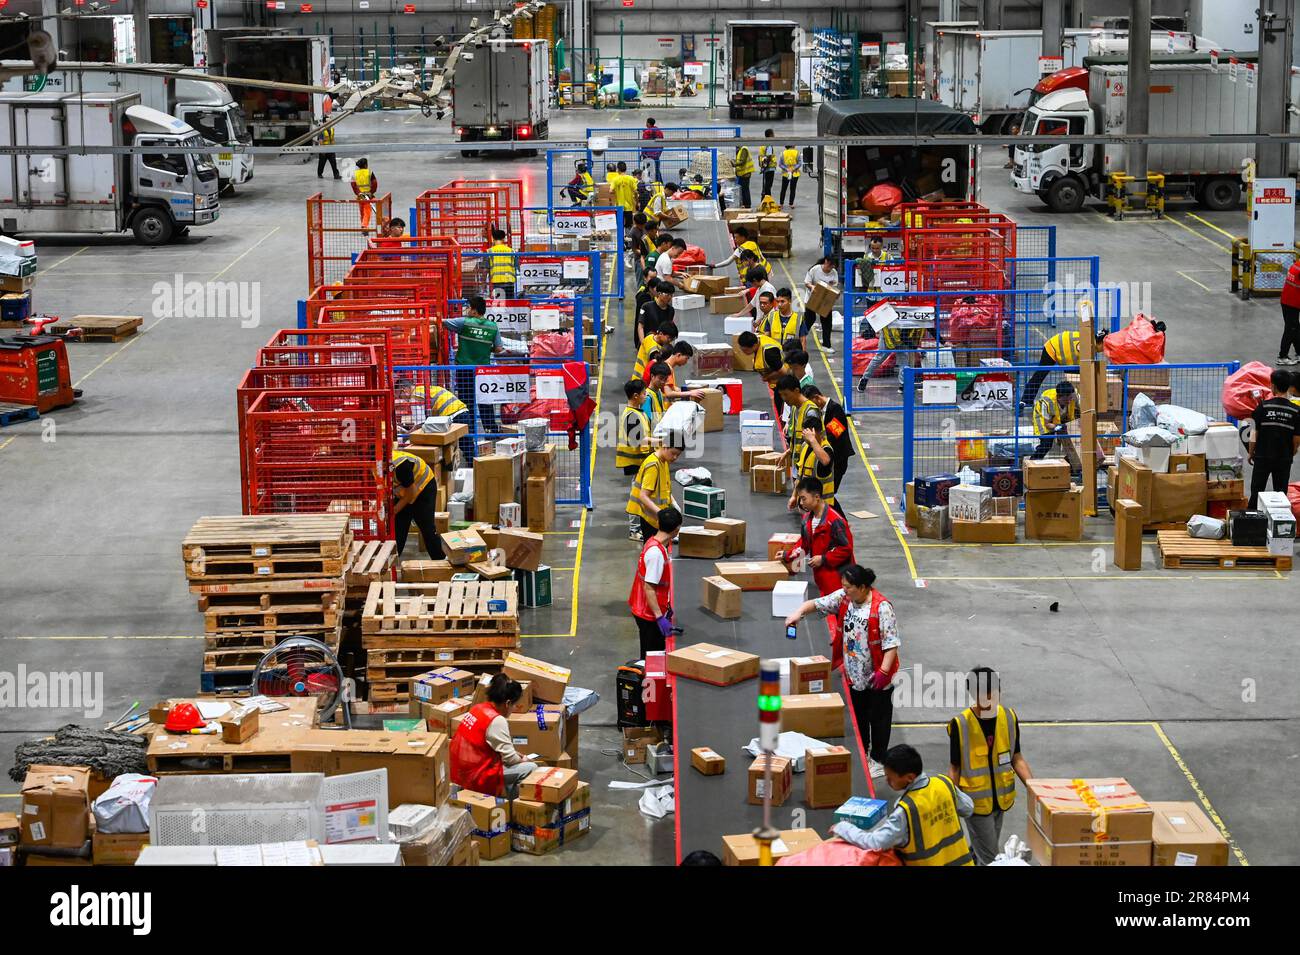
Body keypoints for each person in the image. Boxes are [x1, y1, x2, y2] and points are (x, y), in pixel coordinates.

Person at [784, 565, 899, 778]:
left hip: (877, 676)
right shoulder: (844, 598)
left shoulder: (882, 607)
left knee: (879, 719)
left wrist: (883, 672)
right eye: (843, 587)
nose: (844, 590)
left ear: (863, 587)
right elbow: (817, 604)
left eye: (848, 587)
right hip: (854, 674)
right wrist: (798, 613)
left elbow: (891, 644)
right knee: (860, 717)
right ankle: (864, 752)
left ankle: (879, 759)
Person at [830, 744, 975, 866]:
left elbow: (875, 842)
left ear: (909, 777)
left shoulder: (906, 810)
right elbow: (968, 808)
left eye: (890, 778)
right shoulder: (944, 784)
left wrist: (843, 827)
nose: (886, 781)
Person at [947, 666, 1033, 865]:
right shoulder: (961, 724)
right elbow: (955, 767)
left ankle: (974, 856)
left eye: (993, 696)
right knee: (992, 858)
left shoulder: (1009, 717)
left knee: (986, 846)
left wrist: (1036, 788)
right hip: (976, 804)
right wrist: (952, 800)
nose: (990, 703)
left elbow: (1016, 757)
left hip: (1001, 800)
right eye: (984, 698)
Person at [450, 673, 538, 799]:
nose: (513, 709)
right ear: (507, 703)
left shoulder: (478, 708)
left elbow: (489, 744)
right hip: (477, 776)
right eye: (514, 705)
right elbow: (510, 759)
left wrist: (515, 754)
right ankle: (512, 805)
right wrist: (523, 759)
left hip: (459, 770)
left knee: (513, 764)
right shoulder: (497, 721)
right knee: (531, 768)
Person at [444, 295, 508, 456]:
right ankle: (491, 430)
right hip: (483, 371)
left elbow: (444, 322)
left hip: (464, 369)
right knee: (485, 401)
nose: (467, 310)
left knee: (466, 402)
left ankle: (469, 432)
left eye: (468, 307)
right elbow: (499, 349)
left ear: (473, 310)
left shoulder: (464, 322)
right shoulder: (493, 326)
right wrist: (486, 348)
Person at [629, 505, 682, 655]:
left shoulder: (653, 542)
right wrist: (659, 617)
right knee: (652, 657)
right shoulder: (656, 554)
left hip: (644, 608)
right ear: (676, 530)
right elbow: (649, 588)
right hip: (647, 613)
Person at [786, 472, 853, 587]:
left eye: (803, 499)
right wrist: (787, 555)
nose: (801, 503)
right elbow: (804, 545)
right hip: (822, 578)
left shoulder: (835, 521)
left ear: (817, 497)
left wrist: (823, 559)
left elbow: (846, 549)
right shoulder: (807, 520)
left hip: (839, 580)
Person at [1247, 368, 1300, 507]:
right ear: (1289, 387)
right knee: (1281, 494)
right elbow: (1296, 439)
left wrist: (1250, 452)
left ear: (1273, 386)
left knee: (1256, 492)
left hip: (1262, 456)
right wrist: (1292, 452)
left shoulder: (1263, 407)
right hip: (1283, 458)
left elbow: (1254, 434)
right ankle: (1279, 524)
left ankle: (1252, 522)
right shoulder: (1296, 411)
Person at [1021, 329, 1105, 407]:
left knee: (1076, 377)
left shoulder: (1090, 340)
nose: (1105, 350)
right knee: (1040, 375)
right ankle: (1025, 401)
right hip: (1052, 348)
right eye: (1105, 346)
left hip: (1063, 352)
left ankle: (1072, 404)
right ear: (1100, 343)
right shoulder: (1089, 347)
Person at [392, 447, 447, 559]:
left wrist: (395, 509)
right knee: (399, 527)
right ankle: (393, 561)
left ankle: (440, 562)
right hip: (405, 490)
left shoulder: (401, 466)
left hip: (424, 487)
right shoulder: (377, 467)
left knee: (427, 527)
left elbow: (411, 493)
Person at [804, 385, 854, 505]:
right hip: (828, 457)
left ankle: (840, 520)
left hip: (838, 459)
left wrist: (815, 443)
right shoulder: (820, 411)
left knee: (829, 493)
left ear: (817, 398)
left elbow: (832, 435)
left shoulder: (836, 410)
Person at [618, 379, 654, 538]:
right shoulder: (632, 416)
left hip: (641, 460)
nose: (646, 396)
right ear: (635, 396)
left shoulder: (637, 412)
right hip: (635, 461)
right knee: (636, 494)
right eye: (644, 394)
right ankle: (634, 530)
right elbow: (638, 440)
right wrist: (663, 441)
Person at [627, 442, 683, 542]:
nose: (675, 457)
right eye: (673, 453)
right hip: (650, 518)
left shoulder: (664, 461)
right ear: (665, 447)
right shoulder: (653, 466)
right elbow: (643, 496)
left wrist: (673, 502)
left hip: (657, 517)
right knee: (653, 548)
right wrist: (661, 514)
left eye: (678, 455)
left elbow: (665, 487)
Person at [1030, 379, 1080, 464]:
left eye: (1070, 399)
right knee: (1046, 443)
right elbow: (1047, 424)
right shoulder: (1047, 402)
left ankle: (1073, 464)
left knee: (1074, 439)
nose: (1068, 402)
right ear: (1058, 397)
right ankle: (1032, 463)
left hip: (1061, 416)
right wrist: (1058, 427)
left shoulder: (1074, 395)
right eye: (1065, 400)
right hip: (1043, 418)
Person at [800, 256, 840, 352]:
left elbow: (833, 286)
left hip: (825, 300)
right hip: (812, 298)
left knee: (827, 322)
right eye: (829, 266)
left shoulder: (834, 273)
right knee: (809, 320)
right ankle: (799, 341)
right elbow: (807, 282)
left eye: (832, 267)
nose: (830, 269)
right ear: (826, 261)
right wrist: (812, 287)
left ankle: (826, 345)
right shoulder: (815, 269)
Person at [777, 374, 816, 465]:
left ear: (796, 391)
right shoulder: (795, 408)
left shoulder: (811, 412)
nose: (784, 398)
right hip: (798, 463)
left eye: (786, 394)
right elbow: (798, 438)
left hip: (807, 466)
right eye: (781, 395)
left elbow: (814, 443)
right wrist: (788, 452)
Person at [636, 280, 675, 349]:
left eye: (671, 295)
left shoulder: (671, 310)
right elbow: (640, 327)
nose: (670, 297)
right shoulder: (646, 307)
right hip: (647, 344)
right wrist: (643, 344)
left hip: (661, 347)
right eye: (667, 295)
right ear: (659, 294)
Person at [1280, 257, 1300, 365]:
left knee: (1295, 328)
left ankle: (1299, 352)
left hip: (1286, 300)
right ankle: (1282, 356)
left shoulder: (1297, 264)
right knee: (1290, 330)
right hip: (1293, 302)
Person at [486, 228, 516, 300]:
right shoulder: (511, 251)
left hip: (497, 282)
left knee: (500, 305)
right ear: (503, 238)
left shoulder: (490, 251)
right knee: (510, 304)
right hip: (509, 281)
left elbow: (486, 268)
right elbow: (516, 265)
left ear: (493, 238)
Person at [351, 157, 378, 231]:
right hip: (368, 196)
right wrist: (371, 192)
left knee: (362, 211)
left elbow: (353, 185)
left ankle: (363, 224)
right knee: (367, 211)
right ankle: (364, 226)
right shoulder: (369, 172)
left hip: (360, 196)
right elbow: (374, 183)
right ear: (366, 165)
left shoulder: (354, 174)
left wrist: (358, 193)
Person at [612, 160, 638, 227]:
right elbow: (635, 191)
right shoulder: (631, 179)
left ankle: (621, 236)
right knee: (629, 225)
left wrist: (617, 191)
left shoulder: (615, 179)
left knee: (619, 224)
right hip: (629, 206)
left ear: (618, 169)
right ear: (626, 169)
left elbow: (610, 191)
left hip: (619, 206)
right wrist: (637, 202)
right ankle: (627, 236)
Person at [640, 116, 665, 183]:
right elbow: (662, 144)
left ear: (648, 123)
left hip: (647, 155)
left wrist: (642, 154)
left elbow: (644, 144)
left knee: (647, 171)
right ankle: (660, 184)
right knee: (657, 170)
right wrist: (658, 153)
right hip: (656, 155)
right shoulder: (659, 132)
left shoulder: (646, 132)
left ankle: (648, 186)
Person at [316, 114, 340, 179]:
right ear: (324, 123)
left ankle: (336, 175)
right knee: (322, 163)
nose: (330, 123)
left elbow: (332, 139)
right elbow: (320, 141)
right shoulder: (322, 131)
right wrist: (323, 150)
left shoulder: (332, 129)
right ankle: (319, 174)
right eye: (328, 122)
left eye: (330, 122)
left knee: (333, 163)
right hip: (324, 150)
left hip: (331, 149)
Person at [733, 142, 754, 208]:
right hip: (742, 174)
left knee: (745, 190)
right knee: (743, 190)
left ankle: (747, 205)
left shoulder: (744, 149)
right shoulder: (740, 150)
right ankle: (745, 204)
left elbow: (742, 162)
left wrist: (734, 164)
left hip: (745, 173)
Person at [758, 128, 777, 201]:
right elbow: (768, 157)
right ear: (770, 135)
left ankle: (765, 199)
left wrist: (763, 167)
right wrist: (765, 167)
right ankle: (767, 200)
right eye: (773, 134)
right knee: (768, 185)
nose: (774, 135)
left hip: (765, 167)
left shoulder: (764, 144)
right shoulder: (769, 144)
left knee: (766, 185)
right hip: (769, 168)